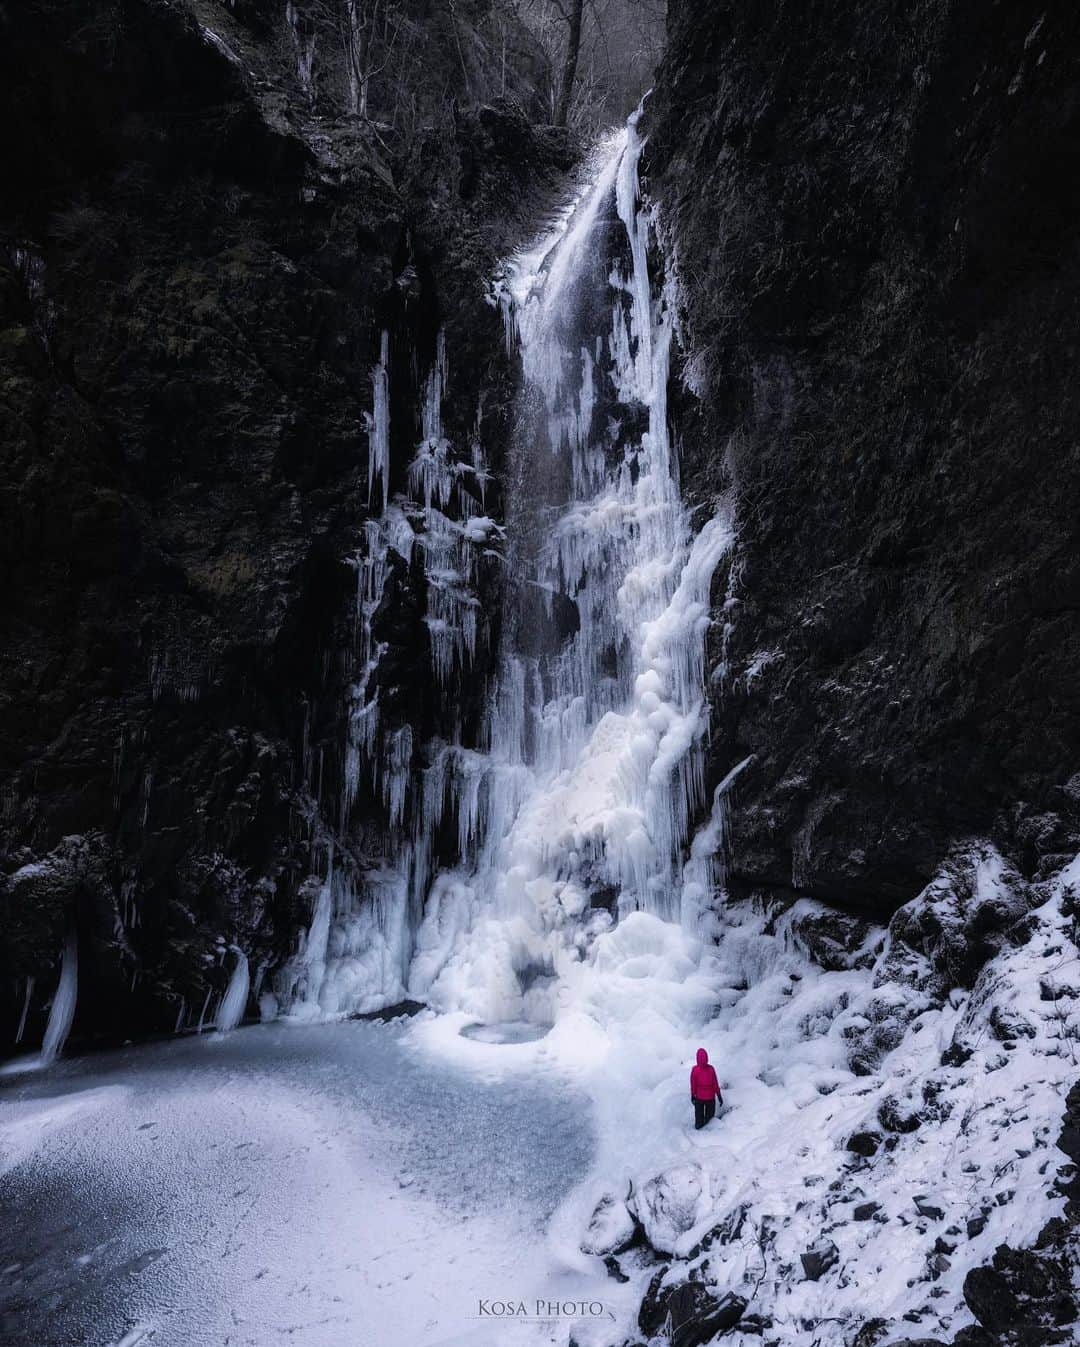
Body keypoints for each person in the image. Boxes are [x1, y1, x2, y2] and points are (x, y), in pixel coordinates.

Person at [690, 1047, 722, 1129]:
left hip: (699, 1098)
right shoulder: (711, 1069)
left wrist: (693, 1095)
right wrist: (719, 1096)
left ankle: (698, 1130)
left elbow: (693, 1084)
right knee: (709, 1121)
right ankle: (709, 1136)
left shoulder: (695, 1070)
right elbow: (715, 1083)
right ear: (707, 1057)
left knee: (699, 1120)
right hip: (710, 1098)